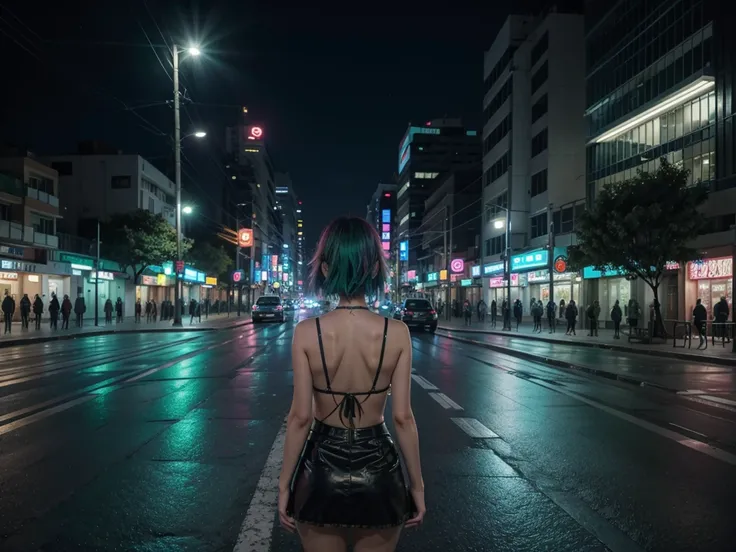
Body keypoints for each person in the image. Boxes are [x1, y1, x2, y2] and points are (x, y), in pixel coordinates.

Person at [279, 217, 424, 552]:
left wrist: (285, 483)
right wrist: (416, 487)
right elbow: (403, 418)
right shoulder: (397, 332)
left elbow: (300, 417)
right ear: (375, 269)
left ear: (325, 269)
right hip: (379, 471)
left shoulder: (306, 332)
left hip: (320, 469)